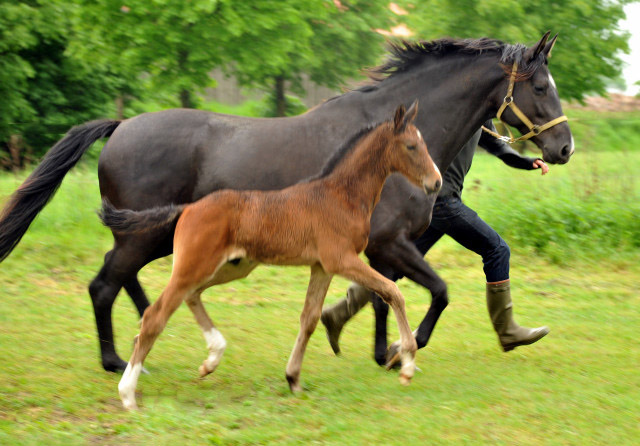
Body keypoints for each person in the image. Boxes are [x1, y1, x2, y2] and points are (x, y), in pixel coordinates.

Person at [321, 121, 550, 355]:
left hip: (436, 204)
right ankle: (507, 330)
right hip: (441, 202)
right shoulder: (457, 107)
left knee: (395, 266)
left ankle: (338, 314)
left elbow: (496, 145)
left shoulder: (480, 112)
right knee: (497, 249)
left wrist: (525, 161)